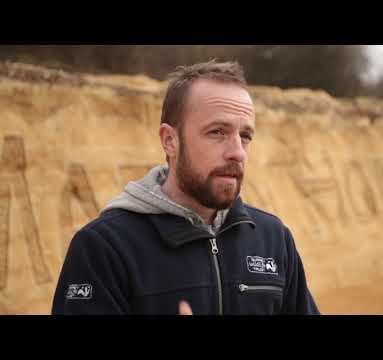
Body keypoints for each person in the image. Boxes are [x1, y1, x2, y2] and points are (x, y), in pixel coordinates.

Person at [52, 60, 320, 315]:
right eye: (217, 132)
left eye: (245, 136)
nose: (238, 152)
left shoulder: (273, 238)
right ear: (170, 141)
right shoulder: (104, 248)